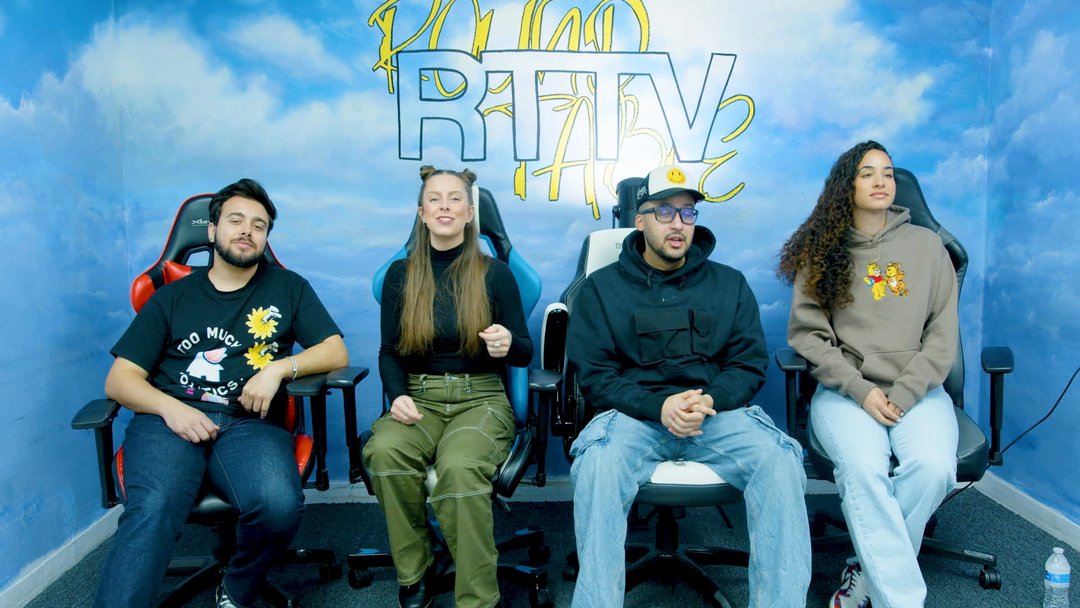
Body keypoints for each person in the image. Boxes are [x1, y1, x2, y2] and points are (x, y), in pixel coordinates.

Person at [93, 178, 349, 608]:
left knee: (278, 505)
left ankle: (236, 588)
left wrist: (278, 369)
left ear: (266, 238)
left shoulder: (289, 287)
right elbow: (120, 381)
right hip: (168, 423)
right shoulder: (171, 298)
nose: (247, 230)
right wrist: (171, 409)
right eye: (236, 220)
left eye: (259, 225)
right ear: (212, 231)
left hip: (250, 424)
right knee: (153, 507)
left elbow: (335, 350)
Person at [566, 163, 812, 608]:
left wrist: (708, 399)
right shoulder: (599, 289)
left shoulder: (729, 283)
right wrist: (659, 407)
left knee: (781, 460)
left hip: (715, 415)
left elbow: (748, 364)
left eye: (687, 213)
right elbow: (596, 376)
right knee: (597, 464)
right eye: (664, 212)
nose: (677, 223)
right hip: (635, 417)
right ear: (640, 221)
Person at [779, 141, 959, 608]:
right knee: (863, 469)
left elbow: (942, 335)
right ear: (847, 186)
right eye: (867, 173)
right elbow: (808, 337)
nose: (881, 181)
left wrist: (906, 391)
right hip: (847, 391)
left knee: (934, 468)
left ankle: (864, 567)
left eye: (888, 173)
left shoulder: (928, 246)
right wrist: (861, 391)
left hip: (917, 388)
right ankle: (900, 601)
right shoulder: (822, 250)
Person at [363, 166, 533, 608]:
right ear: (421, 214)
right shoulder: (401, 275)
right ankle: (415, 571)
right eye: (434, 199)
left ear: (469, 213)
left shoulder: (495, 274)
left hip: (481, 399)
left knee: (458, 468)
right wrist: (398, 395)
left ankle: (478, 598)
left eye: (455, 198)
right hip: (419, 397)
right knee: (385, 452)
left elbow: (525, 352)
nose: (444, 206)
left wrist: (508, 343)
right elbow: (388, 352)